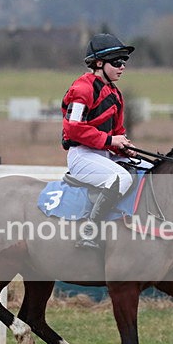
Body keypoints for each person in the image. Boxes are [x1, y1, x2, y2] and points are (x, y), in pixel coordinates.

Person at [61, 33, 137, 249]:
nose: (122, 67)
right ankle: (89, 232)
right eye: (117, 62)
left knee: (148, 168)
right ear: (99, 63)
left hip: (104, 155)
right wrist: (111, 140)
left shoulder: (115, 93)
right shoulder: (82, 89)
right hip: (82, 156)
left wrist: (125, 149)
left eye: (124, 62)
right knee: (121, 178)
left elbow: (118, 132)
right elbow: (73, 129)